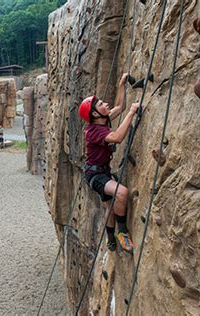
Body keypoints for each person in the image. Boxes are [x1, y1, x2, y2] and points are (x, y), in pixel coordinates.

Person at [79, 73, 139, 253]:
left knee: (109, 206)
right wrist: (132, 113)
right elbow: (117, 138)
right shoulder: (93, 131)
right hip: (95, 175)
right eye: (100, 104)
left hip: (101, 171)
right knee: (122, 193)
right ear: (95, 114)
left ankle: (110, 237)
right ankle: (122, 232)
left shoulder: (102, 120)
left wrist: (121, 84)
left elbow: (120, 106)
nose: (105, 104)